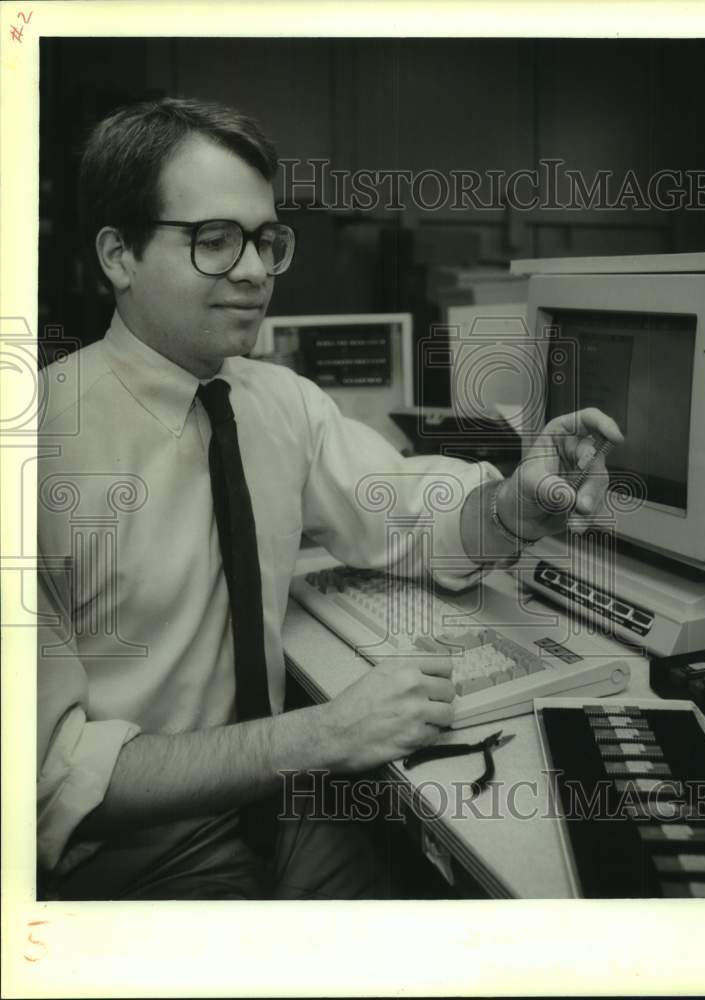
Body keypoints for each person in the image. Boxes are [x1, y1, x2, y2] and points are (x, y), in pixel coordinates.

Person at [37, 98, 622, 900]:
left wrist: (518, 507)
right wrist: (322, 733)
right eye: (213, 240)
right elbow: (49, 775)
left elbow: (410, 522)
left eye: (266, 240)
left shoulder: (277, 402)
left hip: (285, 810)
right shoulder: (33, 455)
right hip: (138, 857)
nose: (252, 270)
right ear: (118, 255)